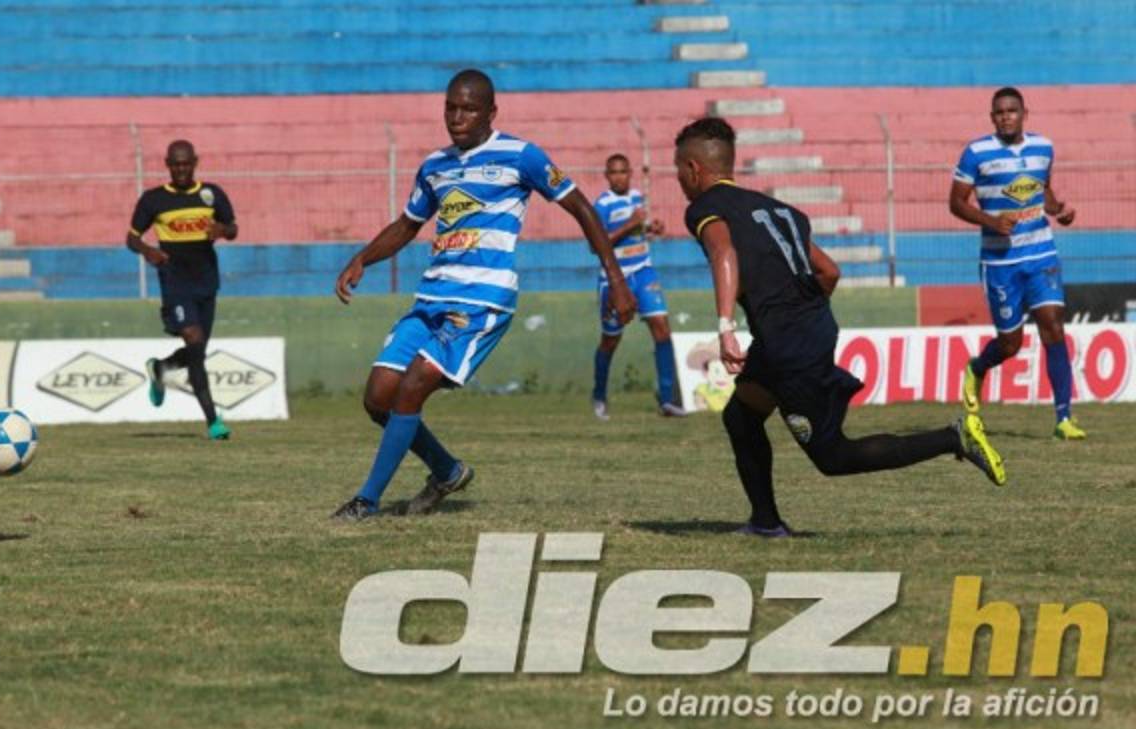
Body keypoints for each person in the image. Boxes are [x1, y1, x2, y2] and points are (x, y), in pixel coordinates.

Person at [330, 69, 637, 522]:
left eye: (468, 108)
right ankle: (447, 471)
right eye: (451, 107)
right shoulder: (435, 166)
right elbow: (407, 224)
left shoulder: (521, 156)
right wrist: (363, 258)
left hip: (481, 301)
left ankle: (366, 500)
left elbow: (581, 208)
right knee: (378, 397)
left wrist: (616, 278)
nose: (457, 116)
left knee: (413, 385)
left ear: (491, 112)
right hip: (431, 299)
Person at [675, 117, 1006, 537]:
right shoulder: (783, 211)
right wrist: (801, 315)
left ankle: (953, 437)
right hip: (804, 329)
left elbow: (724, 252)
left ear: (693, 170)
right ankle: (764, 522)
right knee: (741, 416)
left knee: (833, 457)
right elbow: (829, 272)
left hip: (786, 343)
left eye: (678, 172)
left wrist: (725, 327)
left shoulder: (704, 208)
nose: (679, 182)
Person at [950, 86, 1083, 440]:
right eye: (999, 112)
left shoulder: (1044, 147)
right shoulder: (977, 153)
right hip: (999, 262)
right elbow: (956, 203)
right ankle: (977, 369)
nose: (1006, 116)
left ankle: (1063, 419)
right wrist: (992, 221)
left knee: (1053, 326)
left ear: (1025, 113)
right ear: (992, 117)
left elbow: (1043, 190)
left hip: (1041, 252)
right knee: (1010, 345)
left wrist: (1059, 211)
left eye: (1012, 110)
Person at [127, 140, 237, 440]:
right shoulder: (154, 200)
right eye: (175, 164)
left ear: (195, 162)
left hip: (206, 282)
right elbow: (132, 237)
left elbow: (233, 227)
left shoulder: (211, 194)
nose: (181, 169)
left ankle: (161, 368)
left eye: (186, 163)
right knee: (194, 338)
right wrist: (148, 251)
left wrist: (223, 231)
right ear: (167, 164)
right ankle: (214, 421)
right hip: (175, 283)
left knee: (197, 350)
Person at [589, 153, 686, 420]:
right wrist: (629, 224)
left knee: (662, 329)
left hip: (643, 271)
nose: (619, 177)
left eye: (623, 172)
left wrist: (651, 228)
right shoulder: (602, 205)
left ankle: (668, 399)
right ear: (607, 176)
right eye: (614, 172)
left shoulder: (636, 198)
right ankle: (599, 395)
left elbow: (639, 231)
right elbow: (594, 245)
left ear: (630, 173)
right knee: (610, 340)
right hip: (614, 279)